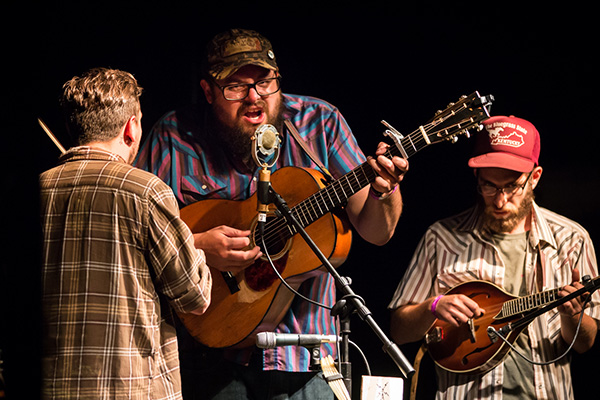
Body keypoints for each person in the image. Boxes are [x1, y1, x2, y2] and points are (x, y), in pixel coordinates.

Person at [134, 28, 408, 399]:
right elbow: (134, 239)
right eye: (235, 86)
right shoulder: (174, 136)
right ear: (208, 90)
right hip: (210, 357)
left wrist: (385, 189)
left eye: (265, 82)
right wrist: (195, 245)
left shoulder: (319, 123)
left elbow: (377, 232)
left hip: (309, 361)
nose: (253, 97)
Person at [388, 115, 599, 399]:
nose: (500, 200)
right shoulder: (441, 237)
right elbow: (399, 331)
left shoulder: (572, 240)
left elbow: (585, 343)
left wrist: (573, 316)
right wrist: (433, 306)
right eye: (489, 186)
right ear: (477, 177)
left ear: (534, 178)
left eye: (512, 186)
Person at [39, 67, 213, 400]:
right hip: (131, 389)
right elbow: (194, 297)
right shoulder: (146, 191)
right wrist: (196, 247)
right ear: (131, 127)